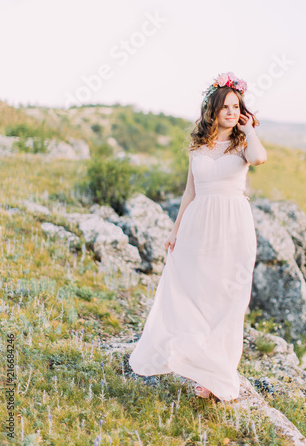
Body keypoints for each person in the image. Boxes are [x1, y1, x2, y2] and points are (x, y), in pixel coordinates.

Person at [129, 72, 267, 402]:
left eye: (237, 107)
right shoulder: (197, 148)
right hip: (198, 227)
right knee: (196, 294)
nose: (232, 112)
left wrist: (249, 130)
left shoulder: (244, 143)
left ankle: (219, 375)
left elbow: (259, 159)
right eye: (226, 107)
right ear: (213, 111)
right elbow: (189, 192)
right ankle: (201, 366)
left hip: (234, 226)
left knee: (229, 299)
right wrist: (175, 232)